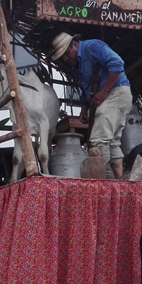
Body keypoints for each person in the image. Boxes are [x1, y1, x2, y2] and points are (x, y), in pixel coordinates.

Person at [51, 32, 133, 179]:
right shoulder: (79, 67)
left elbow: (117, 64)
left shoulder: (92, 46)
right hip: (110, 95)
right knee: (112, 142)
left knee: (98, 140)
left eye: (65, 53)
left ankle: (105, 184)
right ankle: (120, 183)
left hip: (117, 91)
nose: (65, 58)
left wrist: (103, 92)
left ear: (75, 45)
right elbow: (86, 90)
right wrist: (84, 109)